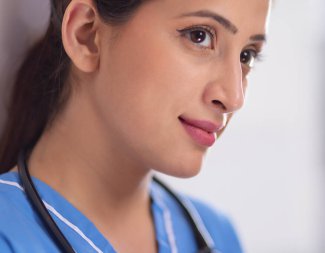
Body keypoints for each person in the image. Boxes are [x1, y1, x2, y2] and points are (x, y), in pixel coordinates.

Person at [0, 0, 271, 252]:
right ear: (87, 35)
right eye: (199, 36)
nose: (234, 97)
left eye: (246, 56)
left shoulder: (219, 235)